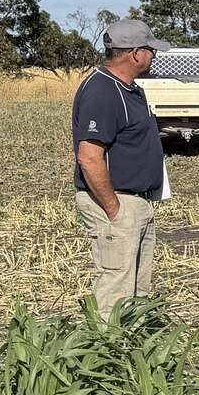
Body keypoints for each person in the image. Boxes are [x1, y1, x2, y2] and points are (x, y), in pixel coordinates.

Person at [72, 18, 170, 314]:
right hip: (116, 202)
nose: (154, 56)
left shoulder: (130, 89)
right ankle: (105, 350)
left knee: (138, 291)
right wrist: (114, 208)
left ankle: (133, 348)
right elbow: (89, 156)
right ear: (135, 53)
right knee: (116, 288)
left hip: (137, 202)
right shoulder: (102, 90)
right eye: (151, 49)